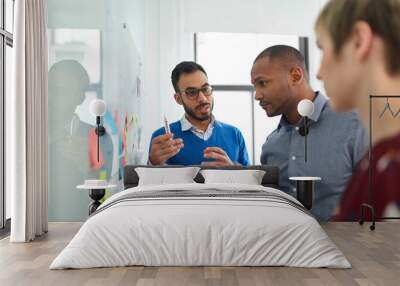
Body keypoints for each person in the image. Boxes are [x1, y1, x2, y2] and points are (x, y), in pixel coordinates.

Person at [251, 45, 368, 221]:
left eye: (263, 83)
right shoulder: (271, 144)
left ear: (295, 76)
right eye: (254, 86)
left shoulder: (356, 125)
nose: (257, 95)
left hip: (349, 245)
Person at [315, 0, 400, 220]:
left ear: (358, 41)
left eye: (323, 49)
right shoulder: (377, 159)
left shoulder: (391, 168)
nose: (319, 72)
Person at [148, 61, 249, 166]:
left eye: (205, 89)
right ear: (178, 99)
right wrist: (152, 163)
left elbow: (250, 181)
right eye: (192, 92)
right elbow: (150, 181)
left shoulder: (235, 134)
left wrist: (232, 170)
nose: (202, 98)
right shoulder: (162, 139)